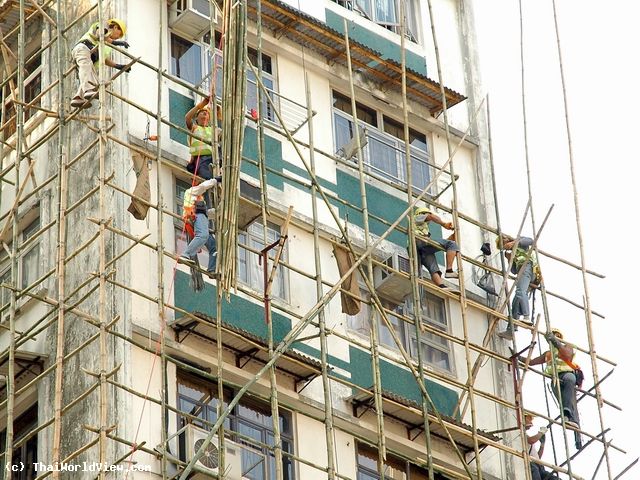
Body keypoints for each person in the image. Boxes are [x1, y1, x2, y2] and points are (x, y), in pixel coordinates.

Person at [525, 328, 582, 436]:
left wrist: (555, 342)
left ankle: (572, 420)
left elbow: (567, 355)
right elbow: (532, 362)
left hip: (566, 374)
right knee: (563, 400)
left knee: (569, 392)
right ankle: (567, 418)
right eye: (553, 336)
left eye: (557, 336)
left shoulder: (567, 346)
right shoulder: (548, 353)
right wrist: (518, 357)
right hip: (555, 378)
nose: (555, 337)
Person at [71, 19, 130, 109]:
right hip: (84, 48)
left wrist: (119, 66)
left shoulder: (105, 45)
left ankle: (78, 97)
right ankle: (88, 90)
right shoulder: (104, 25)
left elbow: (104, 59)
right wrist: (116, 43)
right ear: (115, 27)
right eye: (119, 35)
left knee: (91, 75)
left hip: (89, 56)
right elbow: (100, 34)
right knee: (87, 70)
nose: (117, 38)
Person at [496, 233, 538, 339]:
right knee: (516, 300)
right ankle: (511, 329)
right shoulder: (511, 252)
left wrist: (515, 243)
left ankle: (527, 317)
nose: (505, 245)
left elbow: (531, 241)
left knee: (520, 292)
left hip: (528, 266)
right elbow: (514, 271)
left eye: (504, 242)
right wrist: (509, 258)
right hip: (521, 269)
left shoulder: (520, 240)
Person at [180, 177, 220, 276]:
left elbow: (209, 213)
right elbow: (203, 186)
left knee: (213, 247)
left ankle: (211, 269)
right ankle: (186, 254)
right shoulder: (190, 192)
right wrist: (215, 180)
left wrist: (220, 209)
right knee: (203, 235)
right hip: (195, 216)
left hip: (199, 220)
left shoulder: (200, 202)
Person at [412, 207, 459, 289]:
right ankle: (449, 270)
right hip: (419, 242)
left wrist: (450, 238)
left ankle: (442, 286)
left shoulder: (421, 226)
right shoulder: (417, 217)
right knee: (452, 245)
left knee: (433, 268)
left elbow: (440, 244)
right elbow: (432, 217)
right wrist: (444, 224)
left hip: (420, 248)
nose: (429, 221)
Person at [185, 97, 222, 180]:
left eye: (207, 113)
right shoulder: (194, 128)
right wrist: (202, 105)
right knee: (206, 175)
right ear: (196, 118)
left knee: (222, 150)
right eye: (202, 112)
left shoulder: (213, 130)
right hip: (201, 157)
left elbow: (227, 133)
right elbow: (187, 117)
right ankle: (214, 180)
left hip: (214, 156)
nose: (205, 113)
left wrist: (219, 113)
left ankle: (218, 177)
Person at [525, 414, 558, 480]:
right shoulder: (522, 435)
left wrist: (542, 445)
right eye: (529, 419)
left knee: (554, 478)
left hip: (539, 466)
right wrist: (541, 433)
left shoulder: (527, 437)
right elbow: (531, 440)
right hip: (532, 465)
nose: (531, 423)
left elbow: (537, 457)